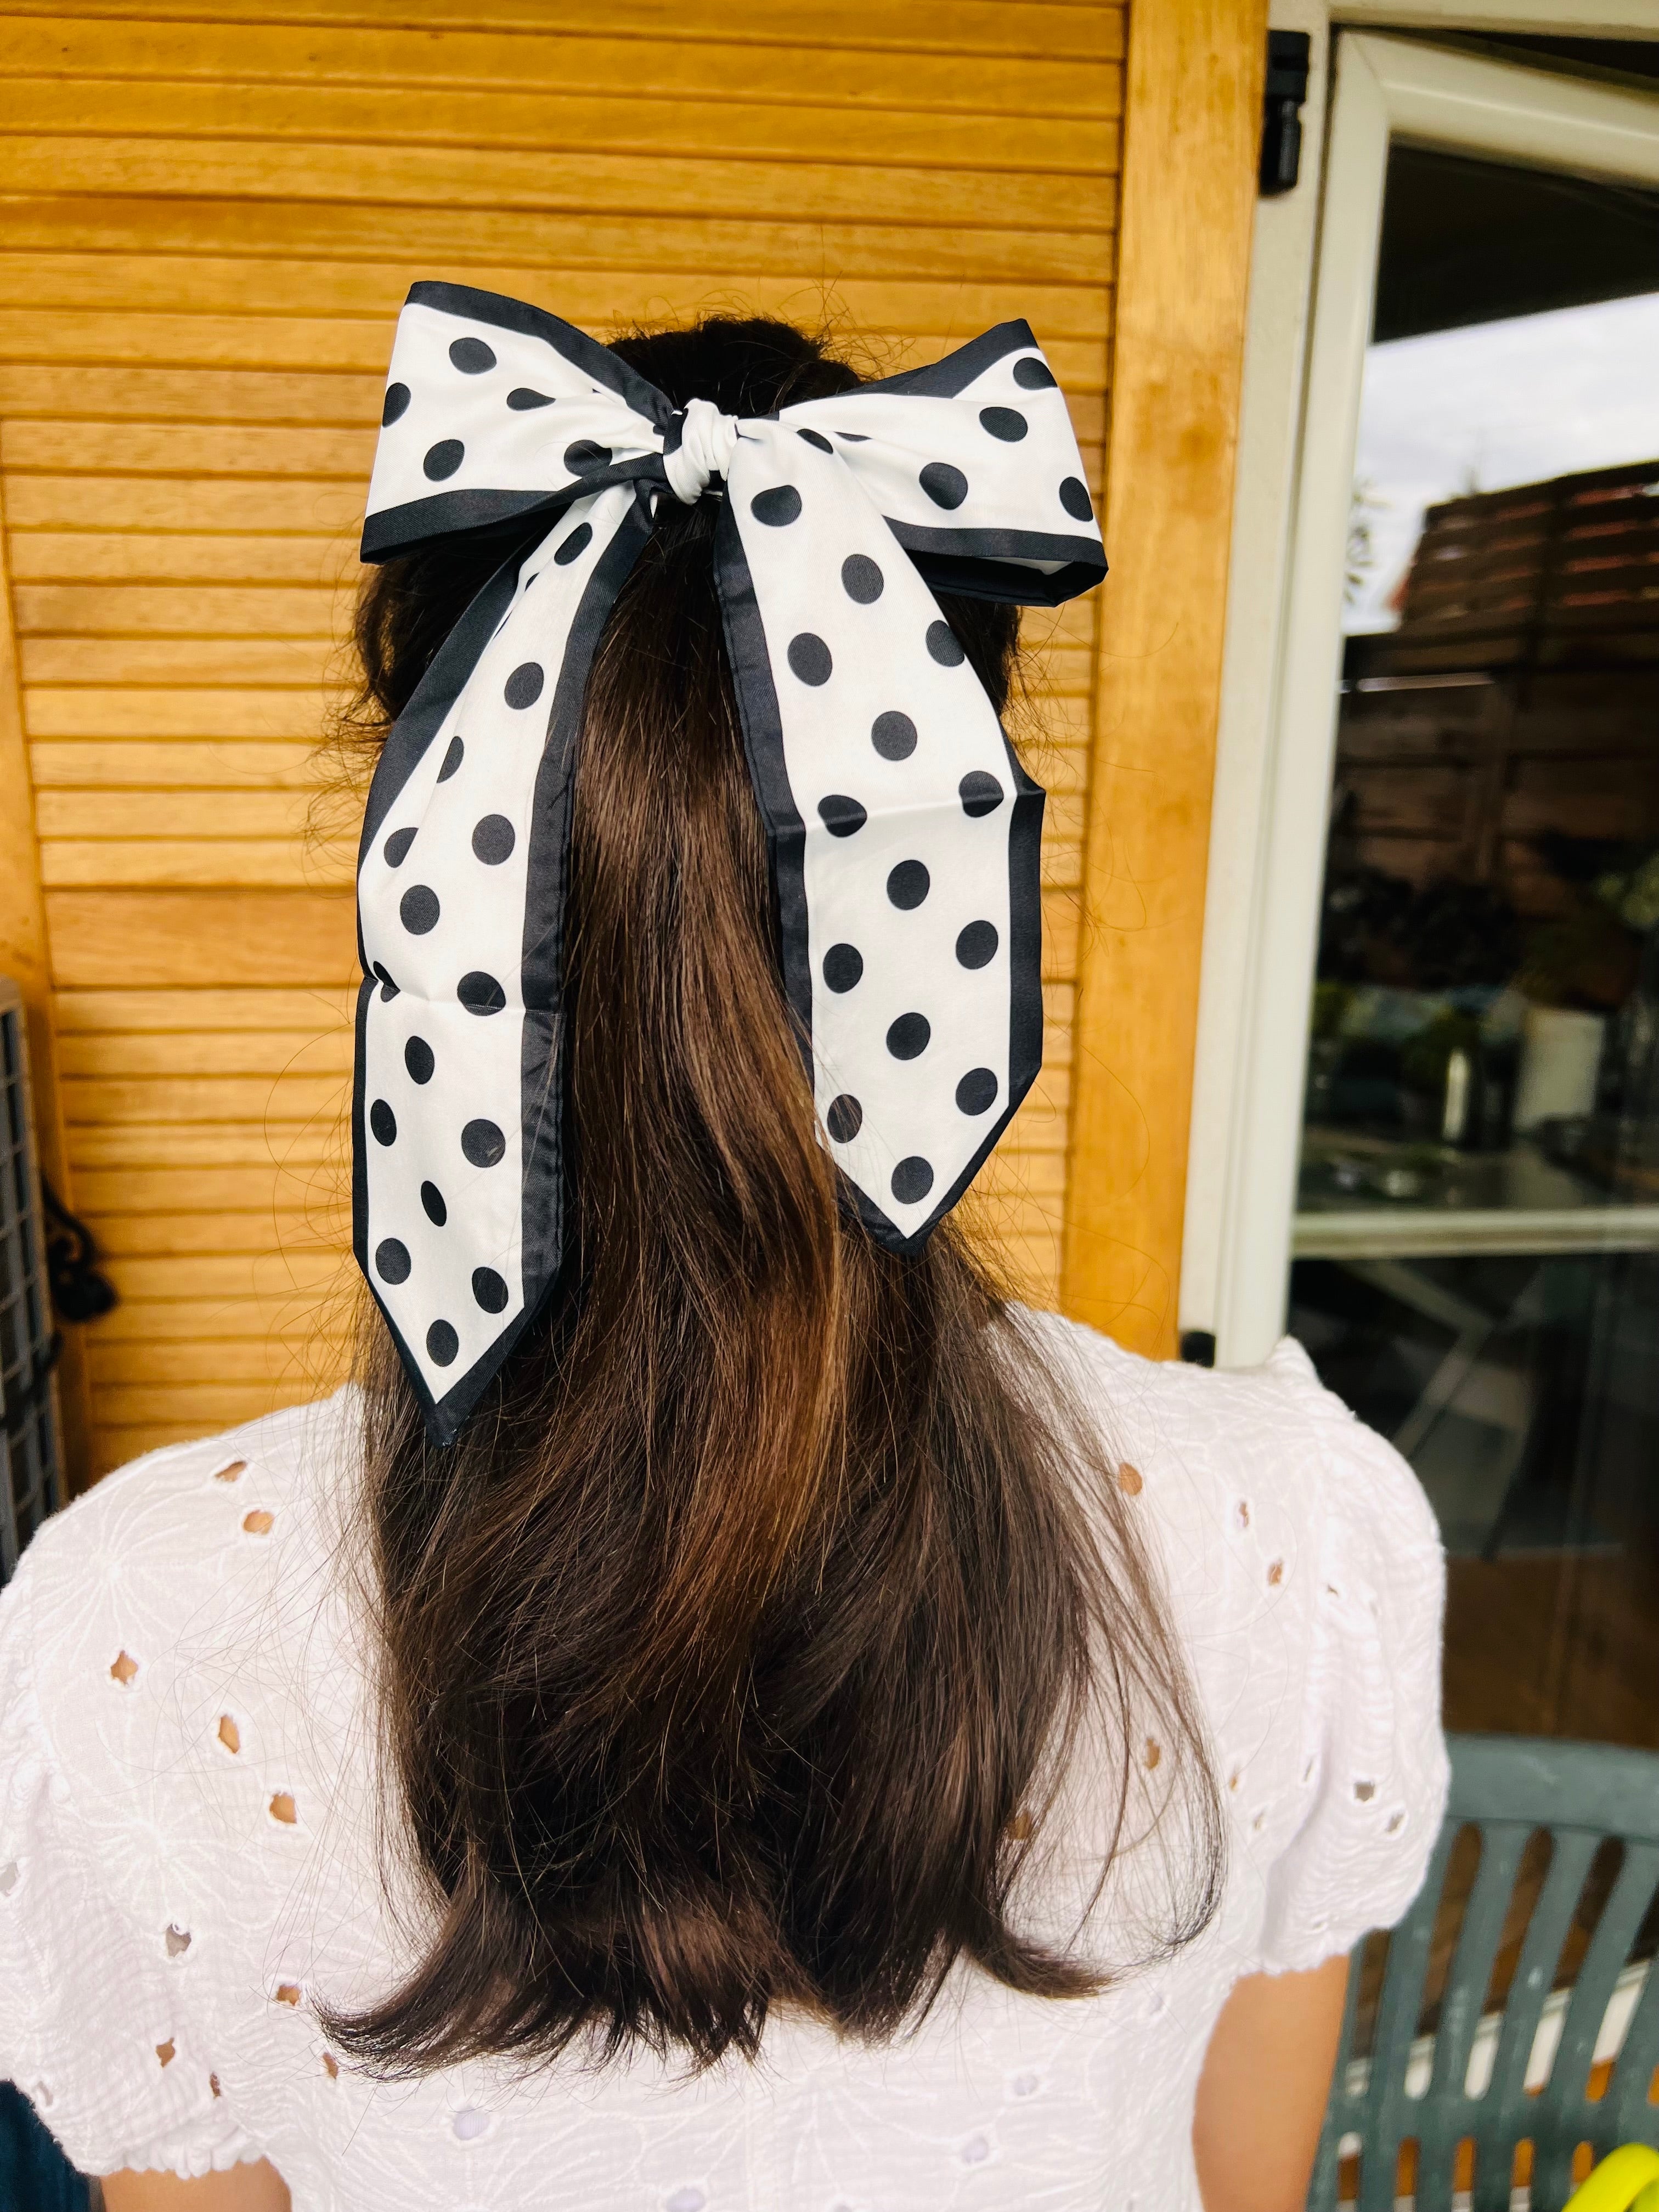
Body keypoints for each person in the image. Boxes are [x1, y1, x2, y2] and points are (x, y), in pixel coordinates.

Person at [0, 308, 1447, 2212]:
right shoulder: (1308, 1529)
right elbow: (1245, 2191)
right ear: (957, 851)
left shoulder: (131, 1629)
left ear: (417, 856)